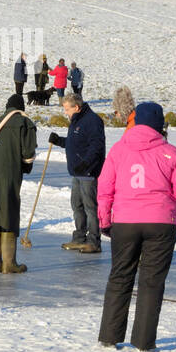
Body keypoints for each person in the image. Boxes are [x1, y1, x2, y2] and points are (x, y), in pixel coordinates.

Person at [97, 102, 176, 352]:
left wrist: (104, 220)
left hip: (125, 222)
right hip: (160, 223)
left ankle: (109, 336)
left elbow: (105, 188)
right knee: (151, 282)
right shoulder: (170, 152)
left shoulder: (119, 150)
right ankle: (143, 341)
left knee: (120, 276)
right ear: (160, 125)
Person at [0, 94, 37, 273]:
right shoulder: (24, 123)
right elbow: (28, 154)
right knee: (8, 213)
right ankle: (9, 264)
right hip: (8, 174)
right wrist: (25, 169)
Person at [49, 93, 107, 254]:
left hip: (88, 173)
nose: (66, 113)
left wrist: (86, 164)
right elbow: (75, 143)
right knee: (77, 206)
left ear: (77, 107)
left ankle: (94, 241)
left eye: (67, 109)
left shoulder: (93, 121)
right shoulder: (76, 121)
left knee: (90, 207)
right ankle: (79, 238)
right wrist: (59, 141)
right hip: (77, 173)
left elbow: (96, 147)